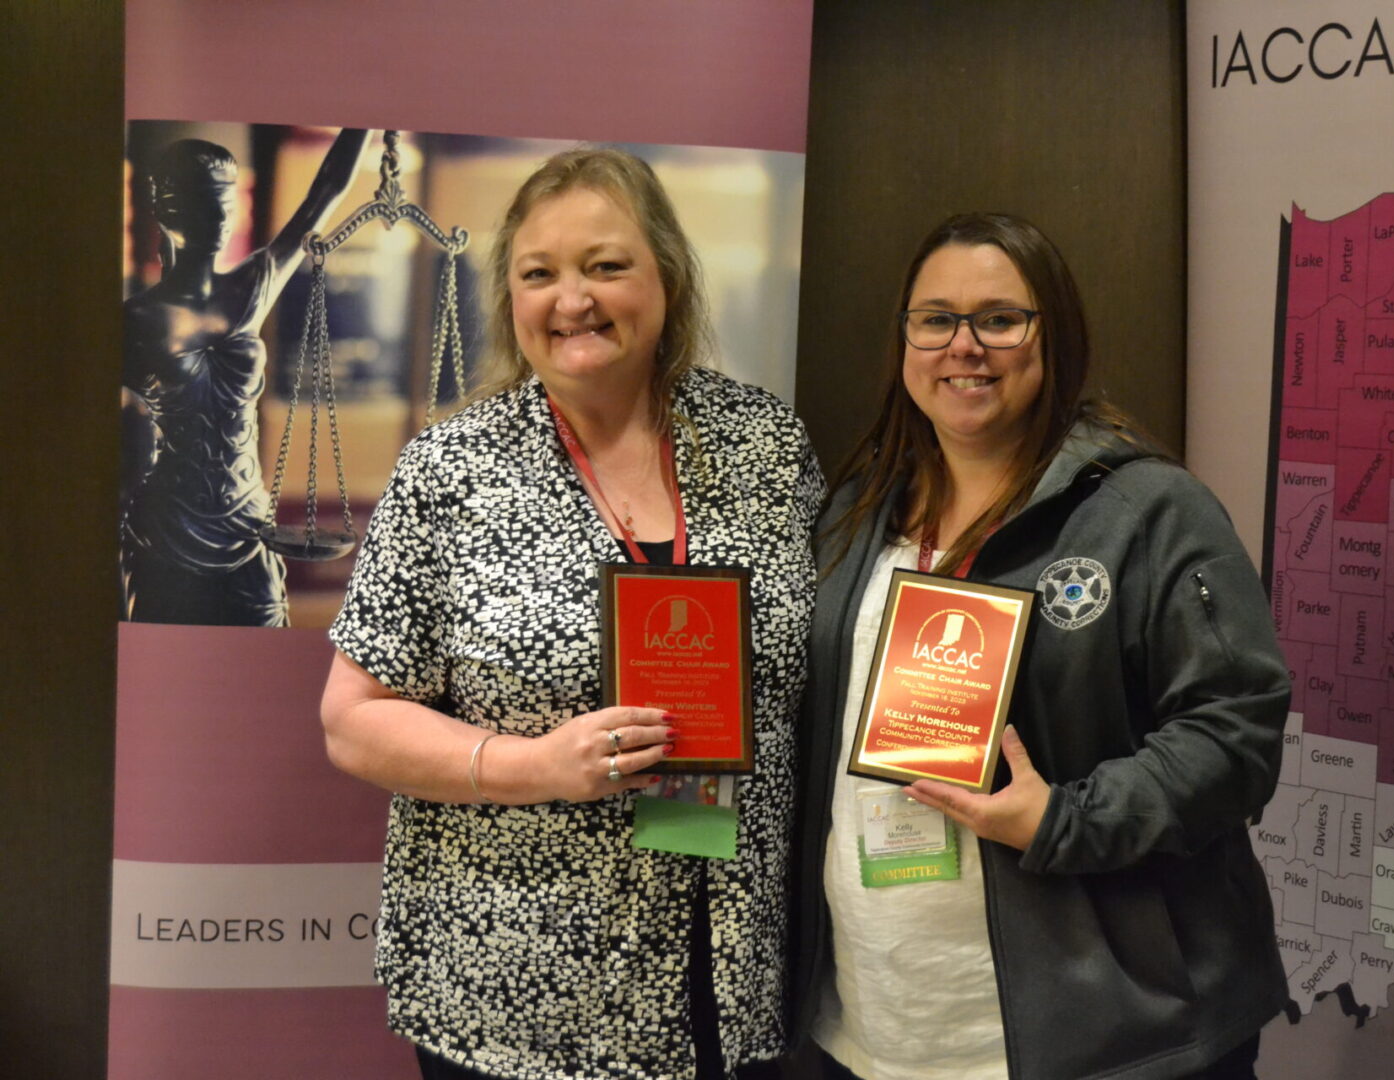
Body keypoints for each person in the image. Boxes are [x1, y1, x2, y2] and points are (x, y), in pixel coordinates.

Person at [321, 147, 822, 1080]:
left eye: (605, 265)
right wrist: (536, 766)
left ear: (666, 276)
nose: (572, 299)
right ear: (509, 298)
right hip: (517, 982)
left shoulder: (766, 443)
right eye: (538, 273)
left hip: (729, 967)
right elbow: (352, 723)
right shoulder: (453, 471)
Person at [792, 213, 1290, 1080]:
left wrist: (1063, 819)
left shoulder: (1149, 510)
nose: (964, 346)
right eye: (936, 318)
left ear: (1052, 333)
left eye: (1000, 318)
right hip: (873, 1027)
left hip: (1100, 1036)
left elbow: (1234, 735)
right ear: (906, 339)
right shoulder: (855, 513)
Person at [122, 128, 372, 626]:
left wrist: (368, 121)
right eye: (204, 204)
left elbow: (326, 191)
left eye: (227, 203)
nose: (220, 217)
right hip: (169, 525)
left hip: (247, 523)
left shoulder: (253, 287)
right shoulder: (133, 321)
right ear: (170, 212)